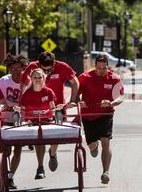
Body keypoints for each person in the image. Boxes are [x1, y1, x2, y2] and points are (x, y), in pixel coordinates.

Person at [20, 51, 79, 173]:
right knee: (39, 138)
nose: (46, 73)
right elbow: (23, 83)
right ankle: (40, 166)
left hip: (56, 108)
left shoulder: (62, 66)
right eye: (44, 70)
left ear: (54, 63)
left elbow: (75, 82)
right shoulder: (32, 67)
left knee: (54, 136)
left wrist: (72, 101)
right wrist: (24, 100)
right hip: (35, 109)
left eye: (49, 70)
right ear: (39, 65)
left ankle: (53, 154)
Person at [77, 54, 124, 184]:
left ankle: (106, 172)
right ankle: (93, 146)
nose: (101, 71)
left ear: (108, 67)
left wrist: (111, 103)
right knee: (92, 146)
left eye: (104, 68)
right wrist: (79, 102)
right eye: (99, 68)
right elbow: (76, 96)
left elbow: (120, 98)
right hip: (88, 115)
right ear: (95, 66)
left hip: (106, 114)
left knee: (106, 141)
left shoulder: (114, 78)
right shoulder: (85, 77)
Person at [19, 68, 63, 179]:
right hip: (33, 122)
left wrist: (54, 110)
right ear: (31, 79)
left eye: (40, 77)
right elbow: (22, 111)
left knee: (55, 134)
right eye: (35, 77)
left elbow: (53, 109)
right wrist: (22, 112)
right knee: (39, 141)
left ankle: (52, 154)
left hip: (47, 121)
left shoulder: (48, 92)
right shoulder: (26, 94)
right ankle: (40, 167)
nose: (37, 79)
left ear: (43, 78)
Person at [0, 54, 29, 189]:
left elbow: (30, 99)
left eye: (19, 69)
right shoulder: (3, 81)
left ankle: (10, 177)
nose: (16, 72)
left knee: (18, 149)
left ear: (23, 69)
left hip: (20, 119)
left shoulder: (28, 82)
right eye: (13, 69)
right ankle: (3, 169)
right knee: (7, 150)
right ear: (9, 69)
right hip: (5, 118)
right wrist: (5, 105)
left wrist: (22, 108)